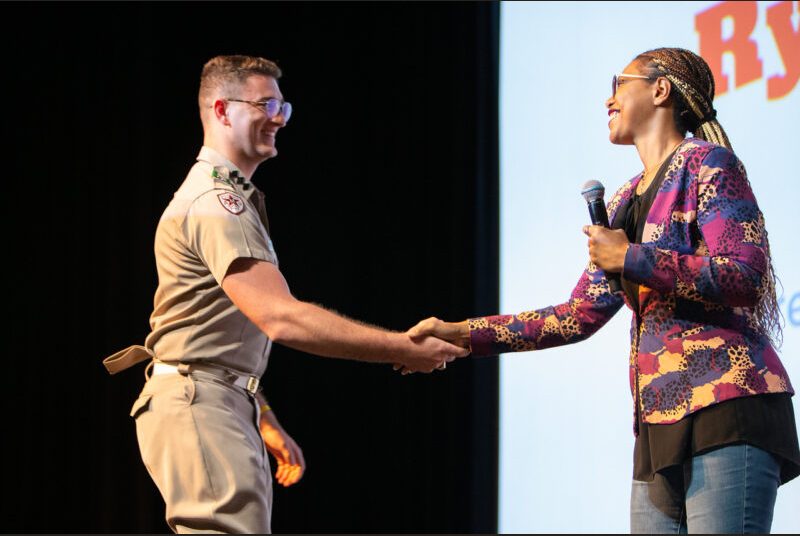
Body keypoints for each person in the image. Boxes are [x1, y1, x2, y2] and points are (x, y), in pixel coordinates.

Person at [409, 47, 800, 533]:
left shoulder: (709, 165)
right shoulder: (622, 201)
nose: (607, 99)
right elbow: (577, 315)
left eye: (619, 83)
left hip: (727, 404)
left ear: (660, 90)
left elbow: (745, 274)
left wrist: (631, 257)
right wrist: (463, 334)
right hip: (658, 424)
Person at [102, 54, 467, 534]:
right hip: (201, 403)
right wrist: (402, 347)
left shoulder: (227, 197)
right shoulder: (217, 204)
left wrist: (260, 410)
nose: (278, 118)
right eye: (265, 104)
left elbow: (214, 328)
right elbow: (281, 318)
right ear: (221, 110)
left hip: (219, 401)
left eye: (283, 107)